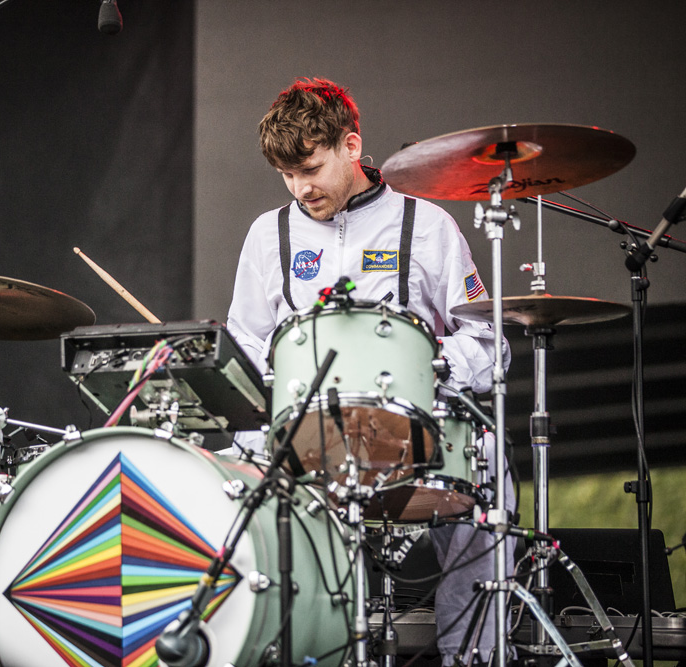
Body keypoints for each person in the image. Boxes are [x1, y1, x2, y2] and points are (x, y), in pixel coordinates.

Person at [225, 77, 514, 665]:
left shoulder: (426, 225)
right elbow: (245, 343)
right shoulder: (267, 234)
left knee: (489, 478)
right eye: (287, 175)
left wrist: (433, 366)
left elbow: (490, 340)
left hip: (414, 432)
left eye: (310, 167)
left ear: (351, 146)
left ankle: (473, 658)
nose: (300, 188)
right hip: (305, 442)